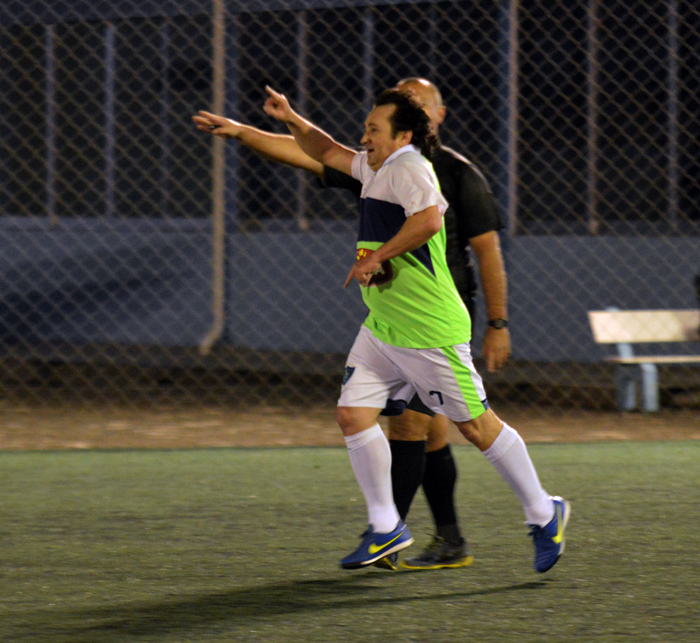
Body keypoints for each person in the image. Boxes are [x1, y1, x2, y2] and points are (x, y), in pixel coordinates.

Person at [193, 78, 510, 572]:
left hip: (435, 316)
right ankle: (440, 537)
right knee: (426, 431)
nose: (410, 108)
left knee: (426, 425)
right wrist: (242, 132)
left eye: (420, 104)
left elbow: (487, 249)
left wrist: (498, 321)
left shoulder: (455, 173)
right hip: (393, 314)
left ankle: (395, 533)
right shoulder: (377, 164)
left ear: (433, 119)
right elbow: (311, 153)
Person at [257, 84, 569, 573]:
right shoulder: (374, 166)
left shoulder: (410, 168)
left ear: (402, 135)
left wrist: (378, 256)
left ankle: (543, 510)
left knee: (476, 427)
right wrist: (292, 117)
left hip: (428, 331)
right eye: (364, 128)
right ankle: (387, 528)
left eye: (373, 129)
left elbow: (426, 220)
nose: (363, 137)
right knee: (353, 416)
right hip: (385, 327)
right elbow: (325, 150)